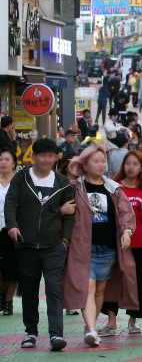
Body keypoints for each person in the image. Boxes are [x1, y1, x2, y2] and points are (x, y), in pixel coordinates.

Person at [62, 144, 137, 347]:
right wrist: (62, 210)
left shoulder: (114, 188)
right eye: (95, 161)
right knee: (88, 286)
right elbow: (59, 211)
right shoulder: (73, 187)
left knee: (100, 289)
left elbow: (125, 214)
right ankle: (93, 330)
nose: (101, 164)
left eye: (103, 160)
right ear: (84, 165)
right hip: (82, 247)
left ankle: (90, 325)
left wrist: (127, 232)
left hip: (108, 248)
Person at [4, 138, 75, 350]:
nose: (46, 159)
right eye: (42, 155)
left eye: (51, 156)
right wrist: (12, 226)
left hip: (54, 245)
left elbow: (70, 214)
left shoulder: (62, 182)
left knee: (54, 288)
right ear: (33, 156)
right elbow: (10, 202)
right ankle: (31, 333)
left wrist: (65, 240)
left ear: (57, 157)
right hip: (26, 245)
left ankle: (56, 335)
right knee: (29, 290)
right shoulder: (21, 178)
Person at [108, 151, 142, 334]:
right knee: (113, 281)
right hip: (116, 242)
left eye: (135, 164)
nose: (130, 167)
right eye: (127, 163)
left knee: (138, 282)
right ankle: (111, 320)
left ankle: (133, 321)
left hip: (140, 243)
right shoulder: (113, 187)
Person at [0, 149, 20, 316]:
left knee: (12, 268)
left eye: (7, 159)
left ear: (14, 163)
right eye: (0, 159)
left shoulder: (19, 182)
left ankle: (8, 301)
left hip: (14, 230)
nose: (3, 162)